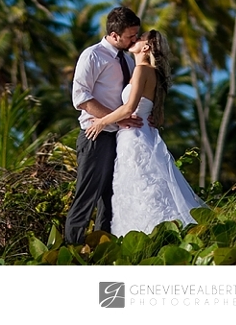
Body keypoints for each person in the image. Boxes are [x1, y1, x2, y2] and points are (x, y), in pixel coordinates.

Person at [84, 29, 205, 236]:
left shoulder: (141, 70)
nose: (135, 39)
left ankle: (142, 233)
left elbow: (129, 108)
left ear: (146, 47)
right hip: (143, 134)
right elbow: (158, 117)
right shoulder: (151, 72)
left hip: (134, 138)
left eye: (139, 38)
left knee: (138, 188)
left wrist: (101, 122)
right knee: (146, 186)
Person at [64, 5, 144, 246]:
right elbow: (81, 98)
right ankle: (72, 249)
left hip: (119, 138)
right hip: (95, 135)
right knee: (86, 196)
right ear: (114, 34)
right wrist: (116, 118)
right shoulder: (93, 55)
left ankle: (103, 249)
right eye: (130, 35)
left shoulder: (128, 61)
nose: (135, 39)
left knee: (111, 198)